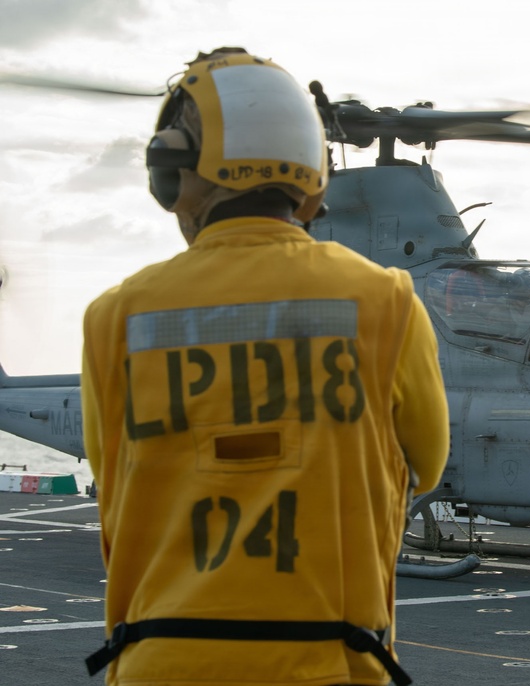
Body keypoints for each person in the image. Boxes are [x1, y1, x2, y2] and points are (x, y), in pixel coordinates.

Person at [80, 47, 449, 686]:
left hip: (158, 665)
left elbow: (111, 475)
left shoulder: (115, 318)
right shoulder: (386, 301)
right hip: (332, 665)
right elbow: (427, 465)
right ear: (312, 174)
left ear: (173, 171)